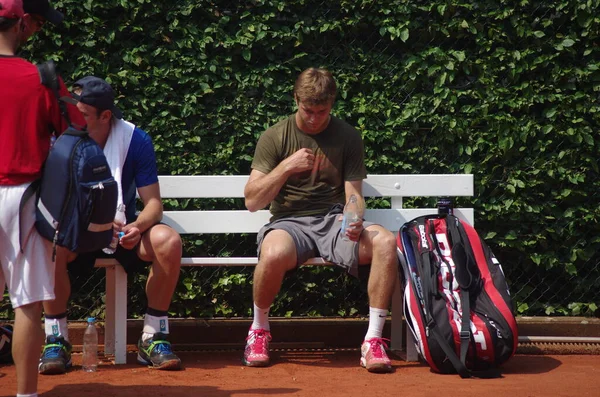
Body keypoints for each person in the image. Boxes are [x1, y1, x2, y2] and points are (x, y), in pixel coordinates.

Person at [243, 67, 399, 373]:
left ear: (333, 104)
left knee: (386, 242)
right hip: (288, 223)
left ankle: (373, 341)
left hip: (332, 221)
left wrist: (354, 216)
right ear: (296, 100)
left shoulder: (348, 136)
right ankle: (258, 331)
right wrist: (286, 167)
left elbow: (353, 194)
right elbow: (252, 201)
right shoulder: (275, 136)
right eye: (308, 110)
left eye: (322, 111)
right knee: (271, 253)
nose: (315, 118)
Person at [38, 76, 183, 374]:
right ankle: (56, 340)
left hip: (123, 235)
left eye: (83, 114)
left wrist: (136, 226)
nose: (73, 118)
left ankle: (153, 337)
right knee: (47, 244)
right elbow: (49, 199)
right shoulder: (60, 139)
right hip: (77, 234)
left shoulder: (136, 140)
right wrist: (89, 221)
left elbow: (154, 204)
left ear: (106, 116)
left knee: (169, 241)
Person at [0, 0, 81, 395]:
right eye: (33, 23)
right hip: (24, 197)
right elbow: (75, 134)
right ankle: (26, 394)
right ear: (21, 24)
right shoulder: (43, 78)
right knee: (27, 304)